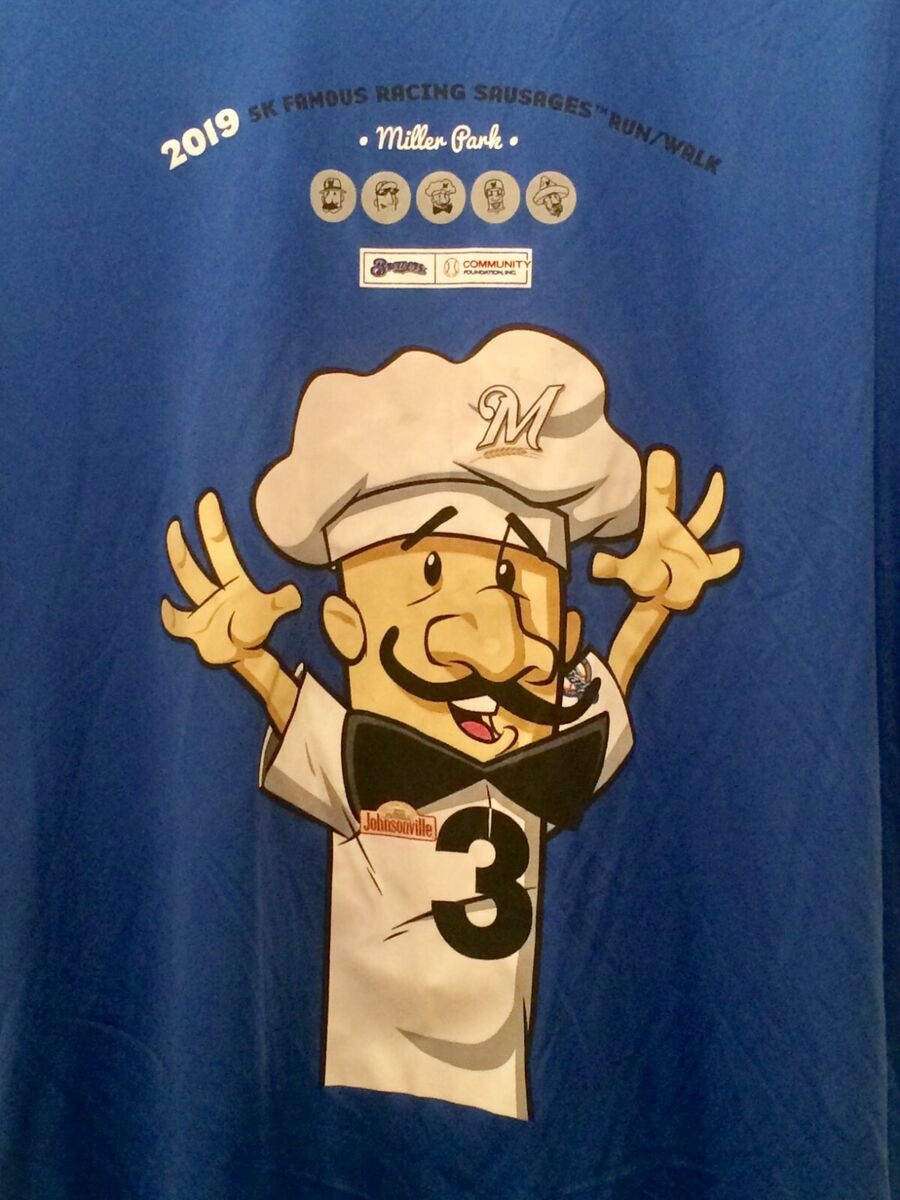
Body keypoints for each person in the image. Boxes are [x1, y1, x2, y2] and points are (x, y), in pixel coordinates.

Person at [160, 326, 740, 1118]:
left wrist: (650, 611)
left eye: (516, 586)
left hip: (504, 1084)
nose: (492, 649)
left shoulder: (549, 755)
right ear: (345, 628)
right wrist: (245, 658)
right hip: (362, 1090)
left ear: (567, 632)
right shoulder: (359, 759)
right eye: (430, 572)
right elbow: (296, 709)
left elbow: (597, 693)